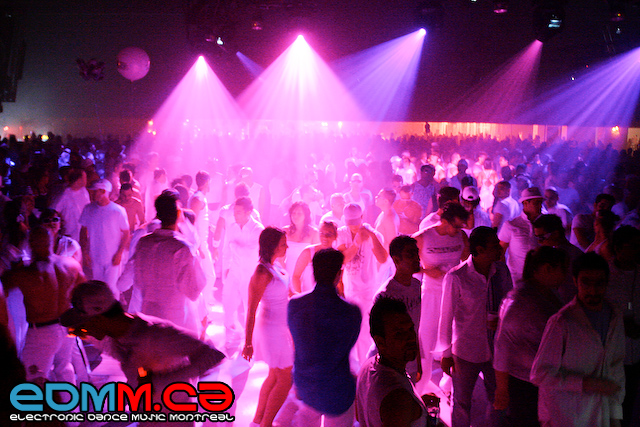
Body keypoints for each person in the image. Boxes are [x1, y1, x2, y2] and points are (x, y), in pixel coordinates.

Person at [60, 280, 225, 427]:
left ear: (100, 318)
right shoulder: (117, 338)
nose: (83, 331)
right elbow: (138, 379)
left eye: (84, 324)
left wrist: (161, 382)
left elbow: (213, 355)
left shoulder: (155, 334)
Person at [531, 252, 626, 427]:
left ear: (607, 283)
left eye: (599, 283)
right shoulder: (562, 323)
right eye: (586, 282)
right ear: (575, 282)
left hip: (601, 415)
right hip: (566, 416)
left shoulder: (615, 317)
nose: (593, 290)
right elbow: (540, 374)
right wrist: (587, 384)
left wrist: (615, 416)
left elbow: (616, 368)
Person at [438, 226, 512, 427]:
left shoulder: (501, 272)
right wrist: (446, 354)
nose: (500, 248)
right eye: (494, 245)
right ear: (479, 249)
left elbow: (510, 303)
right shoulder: (457, 276)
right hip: (466, 350)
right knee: (462, 402)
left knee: (498, 398)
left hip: (495, 349)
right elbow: (446, 317)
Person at [493, 246, 568, 427]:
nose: (565, 276)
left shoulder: (548, 293)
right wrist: (502, 389)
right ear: (547, 269)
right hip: (524, 383)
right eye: (562, 270)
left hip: (543, 380)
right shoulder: (521, 301)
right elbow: (502, 346)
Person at [287, 248, 361, 427]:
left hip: (305, 385)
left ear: (313, 272)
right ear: (339, 274)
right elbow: (347, 347)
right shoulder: (350, 312)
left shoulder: (295, 305)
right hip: (337, 390)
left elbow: (297, 346)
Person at [2, 226, 85, 384]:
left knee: (32, 378)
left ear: (31, 244)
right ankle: (70, 401)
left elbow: (2, 289)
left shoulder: (24, 273)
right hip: (65, 327)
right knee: (64, 369)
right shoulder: (70, 265)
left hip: (42, 331)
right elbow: (85, 293)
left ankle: (36, 401)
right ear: (51, 241)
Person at [117, 189, 206, 335]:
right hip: (175, 322)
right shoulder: (181, 249)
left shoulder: (143, 243)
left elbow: (133, 281)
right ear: (178, 214)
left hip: (148, 318)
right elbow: (194, 291)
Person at [413, 201, 470, 389]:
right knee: (426, 343)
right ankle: (419, 388)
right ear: (444, 221)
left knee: (453, 342)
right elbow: (403, 261)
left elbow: (468, 262)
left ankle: (450, 387)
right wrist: (427, 271)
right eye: (456, 226)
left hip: (454, 296)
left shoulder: (461, 236)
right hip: (431, 295)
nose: (459, 230)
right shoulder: (424, 237)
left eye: (461, 226)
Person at [242, 227, 294, 427]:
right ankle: (266, 424)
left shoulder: (276, 266)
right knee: (285, 379)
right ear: (272, 246)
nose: (287, 247)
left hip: (281, 328)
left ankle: (257, 421)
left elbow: (289, 294)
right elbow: (251, 310)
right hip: (271, 330)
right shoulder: (262, 272)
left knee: (274, 376)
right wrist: (247, 343)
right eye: (283, 244)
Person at [356, 296, 428, 427]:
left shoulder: (368, 367)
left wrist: (417, 408)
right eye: (399, 333)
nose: (410, 338)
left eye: (410, 329)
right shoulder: (399, 400)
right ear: (380, 342)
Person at [337, 203, 388, 365]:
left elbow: (383, 258)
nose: (352, 225)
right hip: (349, 290)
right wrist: (357, 243)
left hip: (368, 290)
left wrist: (372, 236)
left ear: (362, 217)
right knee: (351, 329)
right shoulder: (342, 233)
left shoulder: (373, 234)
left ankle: (365, 366)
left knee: (365, 330)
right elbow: (343, 259)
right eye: (349, 222)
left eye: (355, 221)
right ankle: (355, 366)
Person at [374, 235, 423, 382]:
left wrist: (417, 361)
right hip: (392, 365)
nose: (417, 259)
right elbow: (380, 336)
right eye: (410, 255)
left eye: (416, 253)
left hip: (409, 361)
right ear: (396, 260)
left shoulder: (417, 286)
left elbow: (415, 329)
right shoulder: (385, 294)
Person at [606, 226, 640, 426]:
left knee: (630, 403)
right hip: (614, 354)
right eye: (632, 246)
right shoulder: (606, 275)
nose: (637, 251)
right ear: (618, 248)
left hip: (637, 353)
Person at [223, 196, 264, 350]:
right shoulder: (232, 228)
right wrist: (226, 268)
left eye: (238, 212)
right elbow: (226, 250)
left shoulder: (258, 229)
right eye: (234, 212)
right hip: (234, 272)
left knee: (250, 309)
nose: (235, 215)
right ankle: (232, 336)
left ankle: (249, 342)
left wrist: (234, 247)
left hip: (250, 275)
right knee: (228, 304)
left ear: (248, 213)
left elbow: (250, 253)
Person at [78, 178, 130, 297]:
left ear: (103, 191)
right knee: (98, 289)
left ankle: (114, 308)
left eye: (95, 191)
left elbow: (126, 233)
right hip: (95, 256)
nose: (93, 194)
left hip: (112, 257)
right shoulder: (88, 209)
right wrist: (84, 252)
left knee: (111, 289)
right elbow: (83, 231)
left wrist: (119, 253)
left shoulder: (118, 211)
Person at [533, 214, 583, 304]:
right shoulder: (574, 252)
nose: (539, 242)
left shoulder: (566, 256)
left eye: (542, 237)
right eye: (537, 238)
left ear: (555, 234)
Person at [498, 186, 543, 286]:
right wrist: (504, 275)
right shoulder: (511, 225)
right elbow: (500, 251)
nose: (540, 206)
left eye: (541, 202)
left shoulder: (547, 224)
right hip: (516, 280)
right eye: (536, 203)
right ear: (525, 203)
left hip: (541, 280)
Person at [188, 170, 217, 310]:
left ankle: (200, 310)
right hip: (199, 243)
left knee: (205, 277)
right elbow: (191, 222)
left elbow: (199, 219)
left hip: (201, 242)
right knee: (209, 277)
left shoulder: (200, 198)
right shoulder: (198, 199)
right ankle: (201, 311)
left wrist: (209, 225)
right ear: (206, 182)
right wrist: (198, 247)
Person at [291, 220, 338, 294]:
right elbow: (296, 276)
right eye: (322, 233)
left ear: (335, 236)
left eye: (329, 234)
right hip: (309, 298)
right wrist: (300, 296)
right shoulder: (308, 252)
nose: (324, 237)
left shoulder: (337, 256)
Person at [283, 201, 319, 288]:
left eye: (299, 213)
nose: (295, 216)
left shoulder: (314, 233)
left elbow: (317, 258)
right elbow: (280, 257)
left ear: (305, 215)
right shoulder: (285, 231)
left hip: (307, 273)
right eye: (293, 213)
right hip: (288, 272)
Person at [53, 168, 89, 241]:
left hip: (83, 234)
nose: (86, 180)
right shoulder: (64, 194)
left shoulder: (84, 191)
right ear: (79, 179)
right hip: (70, 234)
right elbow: (54, 211)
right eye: (84, 178)